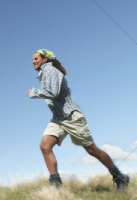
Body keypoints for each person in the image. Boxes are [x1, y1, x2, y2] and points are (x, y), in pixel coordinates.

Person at [27, 49, 129, 191]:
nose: (33, 61)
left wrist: (34, 93)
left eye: (36, 58)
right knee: (45, 146)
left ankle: (119, 176)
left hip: (71, 116)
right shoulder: (43, 73)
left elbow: (53, 93)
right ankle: (56, 186)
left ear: (45, 59)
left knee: (92, 150)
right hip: (58, 118)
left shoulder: (51, 71)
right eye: (33, 59)